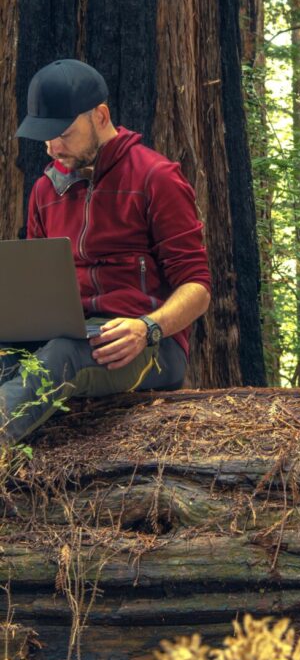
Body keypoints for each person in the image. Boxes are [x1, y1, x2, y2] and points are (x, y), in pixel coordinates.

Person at [0, 59, 212, 444]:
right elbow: (35, 288)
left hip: (150, 346)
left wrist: (148, 327)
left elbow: (197, 287)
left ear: (100, 116)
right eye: (44, 137)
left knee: (63, 354)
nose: (51, 147)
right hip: (70, 335)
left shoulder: (156, 177)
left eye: (62, 134)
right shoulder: (45, 191)